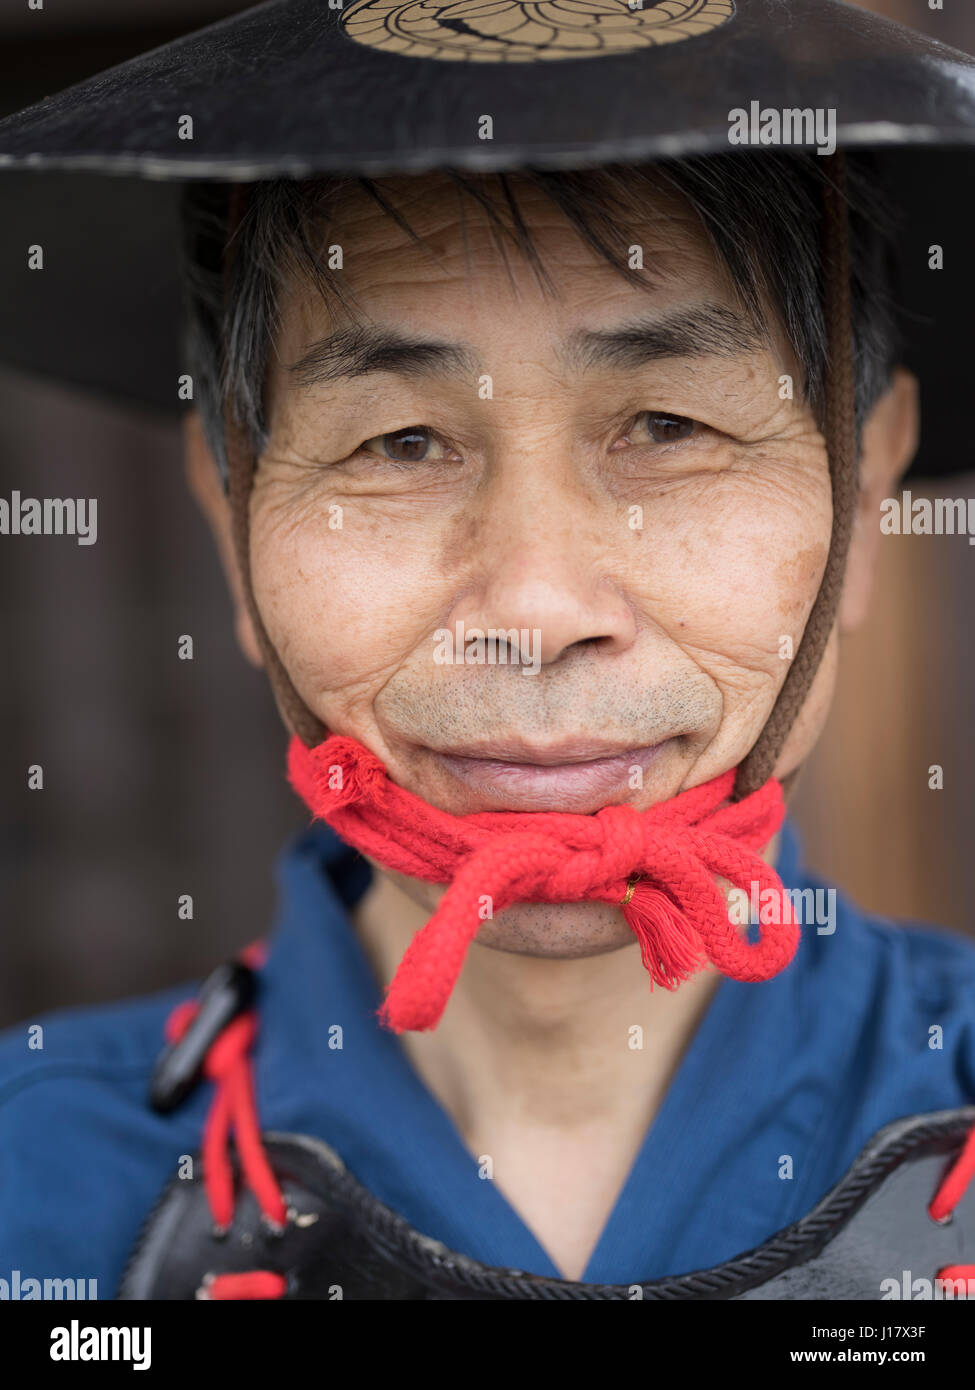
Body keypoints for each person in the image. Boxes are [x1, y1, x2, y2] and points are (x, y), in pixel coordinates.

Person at [0, 0, 974, 1301]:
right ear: (230, 517)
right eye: (399, 443)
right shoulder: (39, 1180)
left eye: (670, 425)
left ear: (866, 496)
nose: (535, 602)